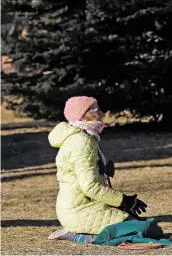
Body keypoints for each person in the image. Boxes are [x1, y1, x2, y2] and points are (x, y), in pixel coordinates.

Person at [47, 96, 147, 242]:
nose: (101, 113)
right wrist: (124, 201)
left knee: (139, 224)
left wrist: (121, 204)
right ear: (83, 115)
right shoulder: (81, 142)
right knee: (142, 229)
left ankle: (78, 231)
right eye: (96, 109)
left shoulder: (85, 137)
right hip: (79, 211)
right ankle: (77, 235)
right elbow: (90, 187)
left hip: (84, 206)